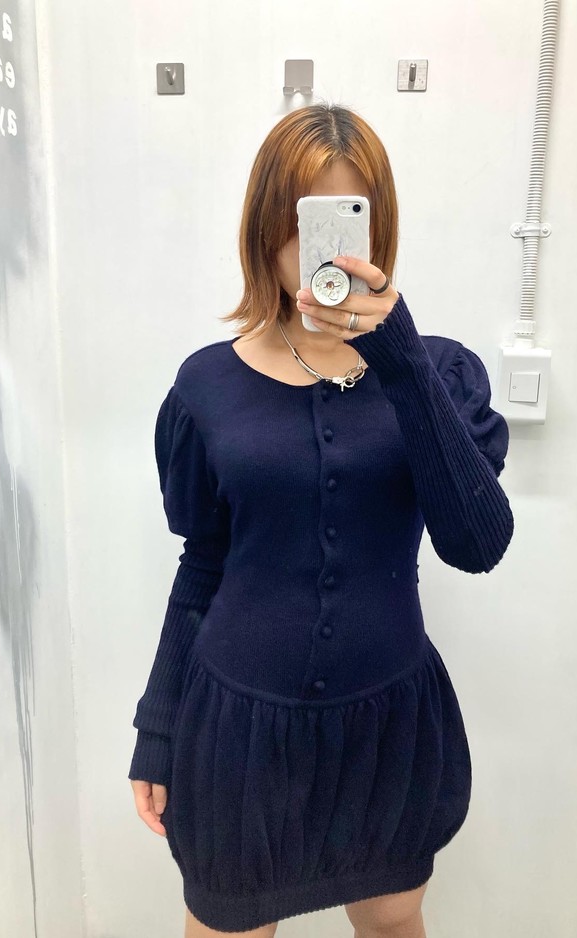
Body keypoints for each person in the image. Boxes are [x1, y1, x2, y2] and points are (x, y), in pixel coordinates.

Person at [128, 102, 515, 937]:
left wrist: (399, 358)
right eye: (302, 224)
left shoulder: (435, 372)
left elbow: (478, 544)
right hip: (238, 730)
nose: (322, 253)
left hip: (386, 729)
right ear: (265, 228)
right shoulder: (207, 387)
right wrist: (157, 725)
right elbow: (203, 564)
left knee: (391, 922)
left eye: (346, 223)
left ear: (379, 230)